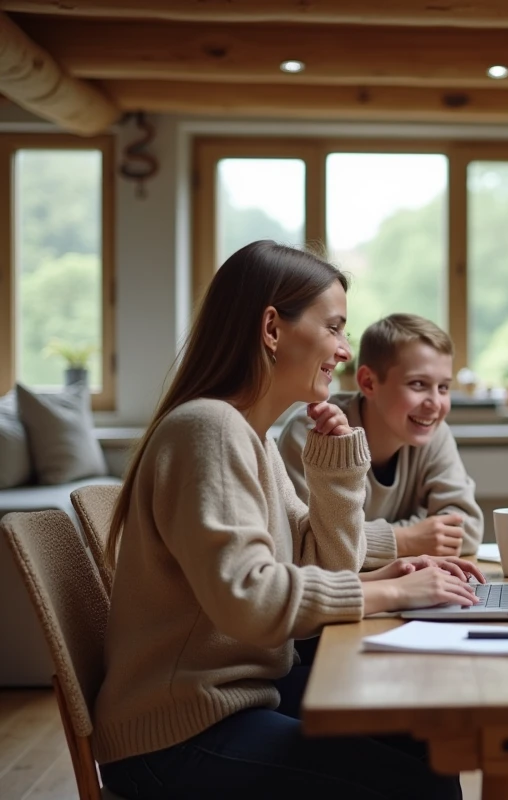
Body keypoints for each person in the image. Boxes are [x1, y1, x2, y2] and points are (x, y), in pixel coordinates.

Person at [94, 241, 482, 800]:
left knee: (423, 742)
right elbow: (252, 598)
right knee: (418, 785)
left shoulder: (254, 439)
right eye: (334, 328)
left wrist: (349, 499)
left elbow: (323, 561)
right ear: (272, 329)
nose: (344, 352)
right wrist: (392, 596)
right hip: (179, 737)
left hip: (240, 699)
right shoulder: (208, 429)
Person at [280, 313, 483, 563]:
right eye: (418, 384)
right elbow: (306, 545)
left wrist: (362, 538)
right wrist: (405, 539)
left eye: (443, 387)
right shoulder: (312, 431)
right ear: (368, 383)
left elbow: (468, 529)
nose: (435, 404)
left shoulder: (434, 433)